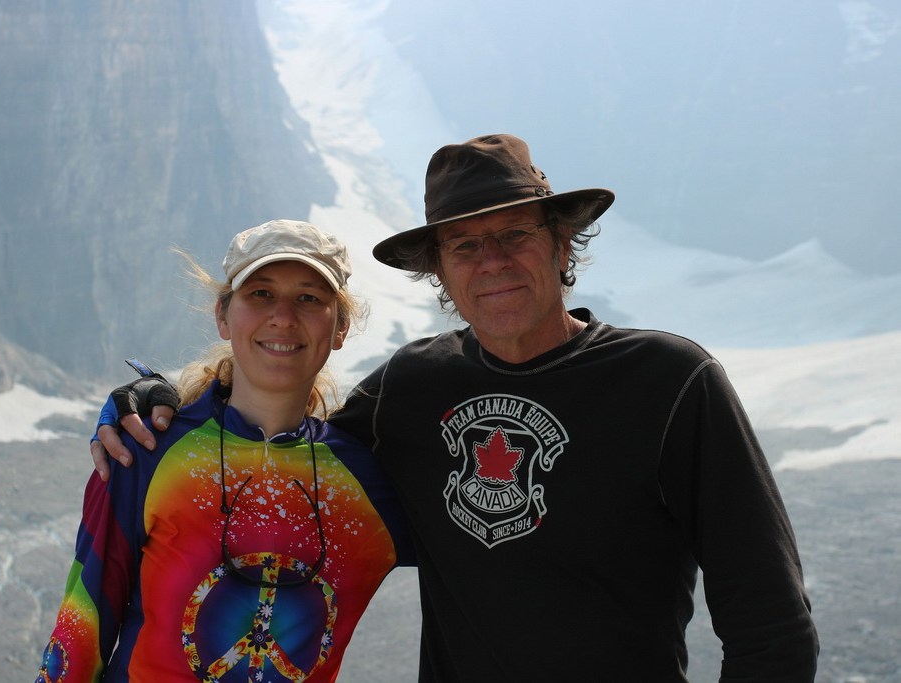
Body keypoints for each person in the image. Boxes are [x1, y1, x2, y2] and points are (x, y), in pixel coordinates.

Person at [93, 135, 820, 680]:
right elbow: (282, 439)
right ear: (440, 270)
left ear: (562, 242)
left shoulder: (670, 383)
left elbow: (772, 626)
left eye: (515, 234)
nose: (492, 261)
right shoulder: (412, 386)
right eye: (464, 245)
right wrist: (158, 402)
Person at [38, 220, 412, 682]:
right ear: (222, 315)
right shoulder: (146, 451)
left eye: (309, 298)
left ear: (341, 328)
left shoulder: (372, 482)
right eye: (260, 293)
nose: (283, 316)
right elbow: (80, 630)